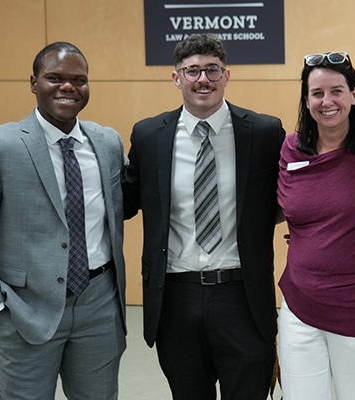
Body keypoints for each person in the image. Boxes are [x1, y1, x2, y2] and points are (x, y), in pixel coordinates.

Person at [0, 41, 127, 399]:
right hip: (24, 309)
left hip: (99, 306)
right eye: (55, 78)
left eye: (79, 79)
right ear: (33, 83)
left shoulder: (107, 143)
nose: (68, 87)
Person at [122, 33, 285, 400]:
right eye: (192, 71)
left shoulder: (263, 132)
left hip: (242, 296)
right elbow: (124, 201)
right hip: (176, 298)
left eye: (212, 70)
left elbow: (287, 199)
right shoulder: (149, 136)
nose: (203, 79)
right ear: (176, 77)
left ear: (226, 75)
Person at [276, 51, 355, 400]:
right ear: (306, 99)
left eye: (337, 91)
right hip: (299, 305)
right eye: (317, 93)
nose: (326, 101)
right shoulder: (291, 148)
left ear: (354, 95)